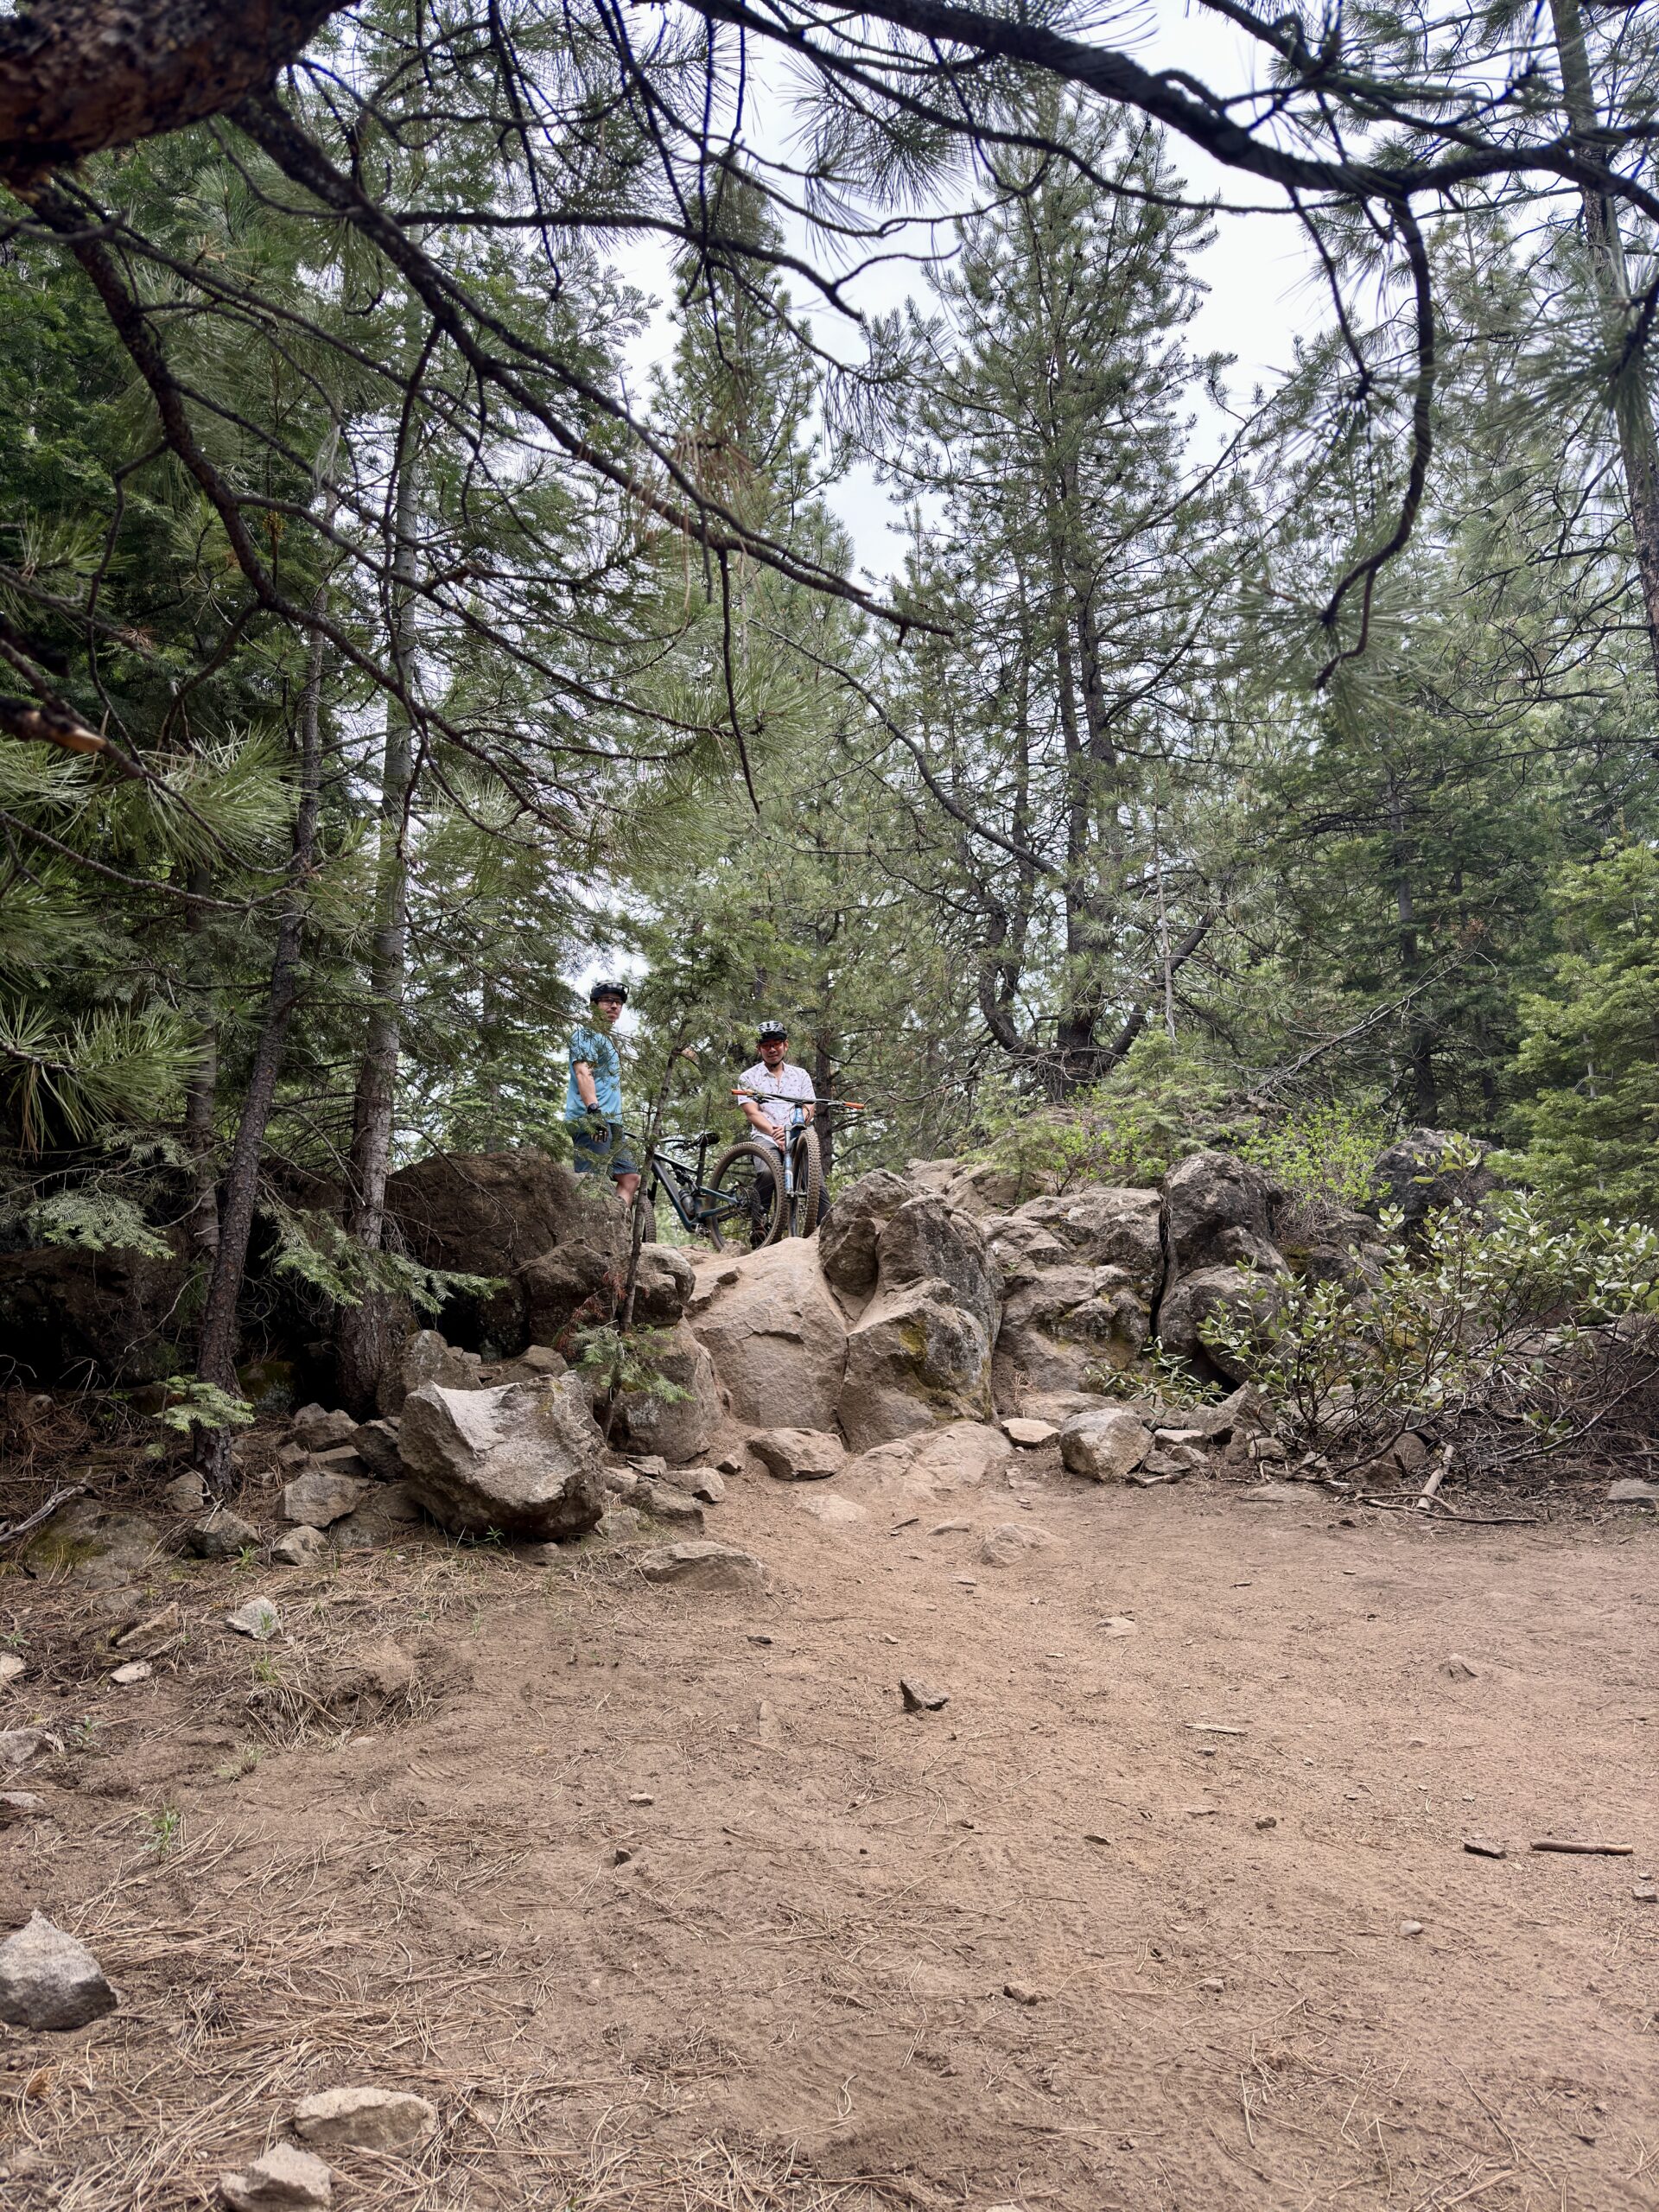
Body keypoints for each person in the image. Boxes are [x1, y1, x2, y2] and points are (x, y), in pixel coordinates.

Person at [565, 982, 641, 1205]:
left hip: (612, 1122)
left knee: (629, 1178)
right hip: (591, 1118)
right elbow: (583, 1074)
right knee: (592, 1181)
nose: (614, 1006)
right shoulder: (585, 1035)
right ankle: (586, 1235)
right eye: (608, 1000)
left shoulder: (607, 1040)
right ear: (594, 1005)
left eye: (618, 1002)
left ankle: (616, 1233)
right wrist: (593, 1112)